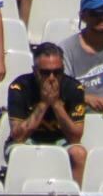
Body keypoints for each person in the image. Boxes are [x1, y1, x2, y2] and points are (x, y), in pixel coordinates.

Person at [6, 43, 90, 184]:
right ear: (35, 71)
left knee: (79, 153)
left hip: (61, 141)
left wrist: (56, 104)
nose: (52, 78)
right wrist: (44, 103)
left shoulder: (74, 88)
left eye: (57, 72)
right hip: (27, 141)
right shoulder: (19, 87)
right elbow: (18, 136)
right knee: (18, 151)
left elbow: (76, 137)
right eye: (45, 73)